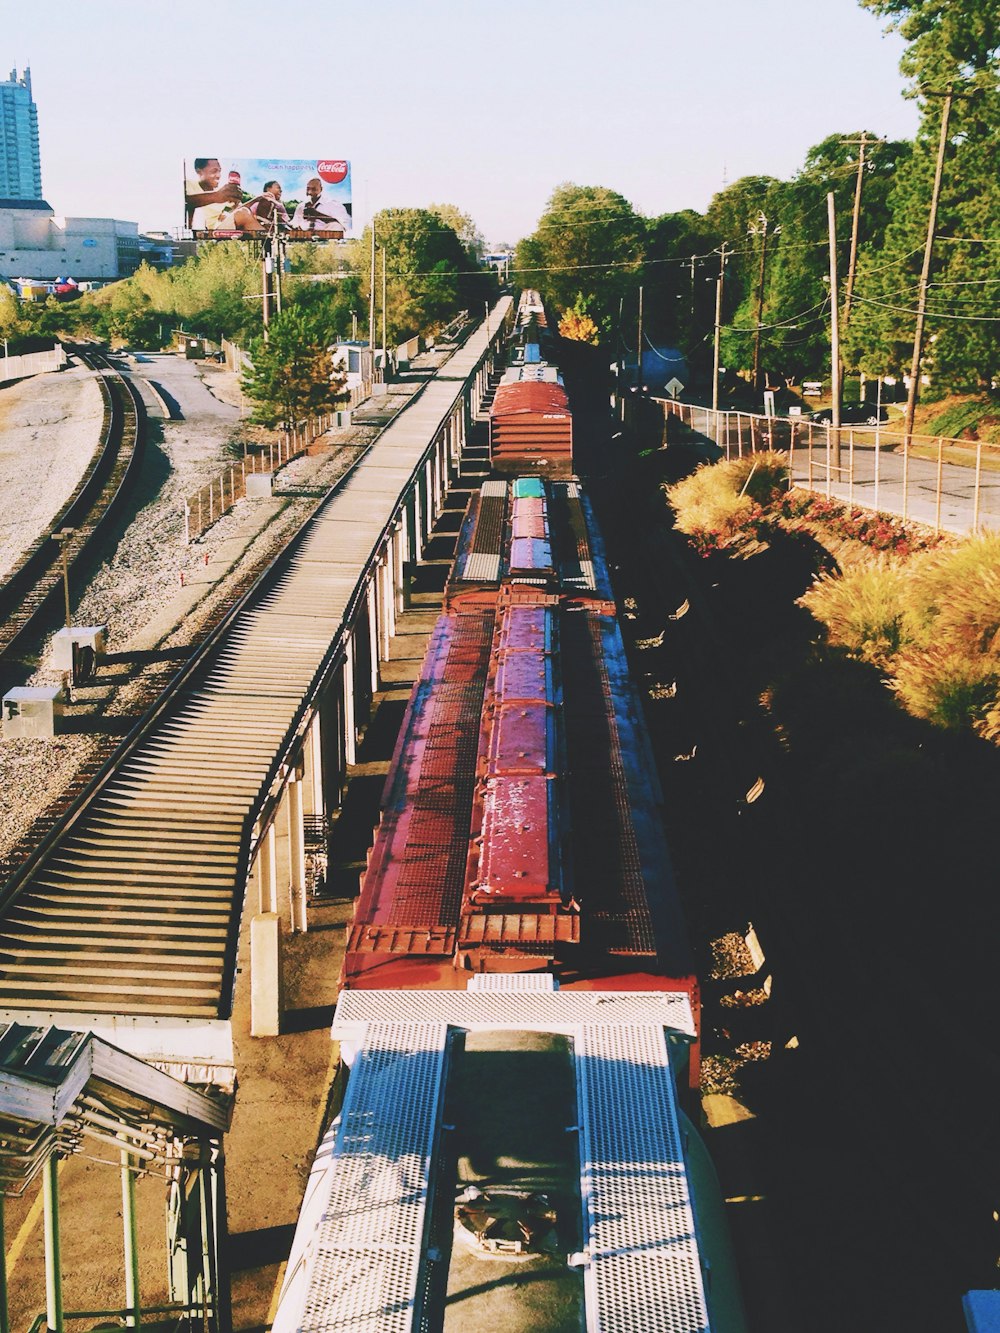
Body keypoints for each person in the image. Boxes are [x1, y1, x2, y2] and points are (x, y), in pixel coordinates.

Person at [185, 159, 241, 231]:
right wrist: (216, 196)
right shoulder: (189, 184)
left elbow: (237, 208)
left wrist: (228, 212)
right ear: (199, 172)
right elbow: (185, 202)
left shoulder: (223, 194)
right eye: (214, 171)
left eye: (219, 171)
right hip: (203, 231)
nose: (219, 175)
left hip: (221, 229)